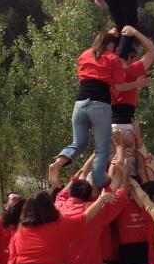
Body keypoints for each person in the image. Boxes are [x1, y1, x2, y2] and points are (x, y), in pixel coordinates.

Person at [48, 30, 127, 190]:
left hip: (80, 103)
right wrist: (136, 84)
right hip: (100, 104)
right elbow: (119, 84)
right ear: (110, 45)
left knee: (78, 143)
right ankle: (98, 182)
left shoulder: (84, 54)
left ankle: (57, 164)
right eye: (113, 46)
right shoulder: (113, 58)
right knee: (102, 148)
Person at [110, 27, 154, 177]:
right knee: (129, 173)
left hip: (108, 124)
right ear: (131, 56)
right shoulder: (134, 69)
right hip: (126, 124)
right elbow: (153, 52)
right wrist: (135, 32)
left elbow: (94, 54)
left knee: (111, 170)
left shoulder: (108, 69)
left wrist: (108, 36)